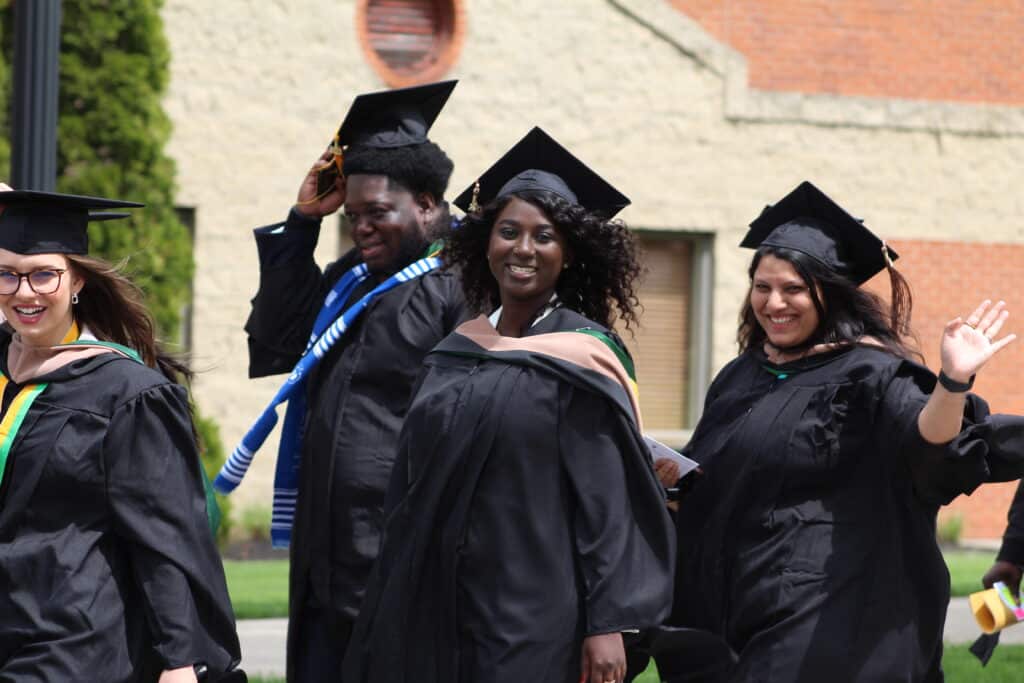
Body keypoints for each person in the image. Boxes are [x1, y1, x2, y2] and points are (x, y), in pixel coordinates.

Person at [344, 127, 676, 683]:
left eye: (544, 236)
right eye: (508, 232)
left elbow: (608, 503)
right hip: (440, 601)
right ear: (486, 243)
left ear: (568, 255)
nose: (523, 249)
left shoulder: (583, 358)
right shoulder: (457, 349)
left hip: (536, 611)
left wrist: (607, 624)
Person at [668, 180, 1024, 682]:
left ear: (829, 294)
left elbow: (930, 446)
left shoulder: (871, 373)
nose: (774, 304)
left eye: (793, 289)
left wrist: (952, 382)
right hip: (729, 605)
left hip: (822, 613)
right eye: (762, 287)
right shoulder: (741, 374)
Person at [213, 81, 467, 683]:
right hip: (323, 551)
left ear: (428, 205)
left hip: (399, 560)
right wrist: (302, 223)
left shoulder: (462, 290)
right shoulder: (353, 277)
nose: (361, 228)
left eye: (377, 213)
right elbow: (276, 342)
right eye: (351, 216)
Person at [0, 190, 242, 682]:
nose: (24, 292)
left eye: (44, 273)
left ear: (77, 281)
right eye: (6, 273)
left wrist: (179, 662)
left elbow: (162, 535)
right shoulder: (3, 368)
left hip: (70, 640)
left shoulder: (127, 394)